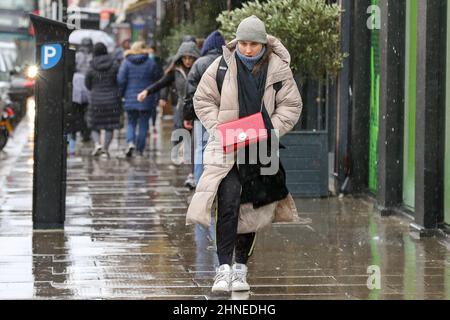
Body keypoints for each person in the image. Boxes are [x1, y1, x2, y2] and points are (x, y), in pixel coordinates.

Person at [185, 16, 303, 293]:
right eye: (243, 43)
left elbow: (291, 106)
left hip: (259, 148)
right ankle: (223, 268)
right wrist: (219, 128)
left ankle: (240, 269)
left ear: (263, 43)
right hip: (227, 147)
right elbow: (202, 100)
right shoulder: (222, 66)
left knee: (249, 208)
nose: (247, 49)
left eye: (253, 44)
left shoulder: (279, 69)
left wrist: (268, 128)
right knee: (227, 203)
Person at [137, 41, 200, 187]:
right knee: (180, 132)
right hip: (181, 108)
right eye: (185, 58)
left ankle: (192, 173)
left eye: (191, 58)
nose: (188, 61)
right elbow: (161, 83)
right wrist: (146, 92)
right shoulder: (175, 72)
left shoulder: (199, 68)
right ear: (180, 58)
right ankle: (182, 157)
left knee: (195, 140)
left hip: (197, 108)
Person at [183, 30, 225, 186]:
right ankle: (219, 183)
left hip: (202, 114)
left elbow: (190, 92)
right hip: (223, 114)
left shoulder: (199, 63)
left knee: (200, 148)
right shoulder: (228, 61)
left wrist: (187, 115)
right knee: (222, 147)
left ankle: (201, 183)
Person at [118, 41, 163, 157]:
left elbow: (121, 80)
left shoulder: (126, 63)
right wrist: (155, 96)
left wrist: (121, 94)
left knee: (131, 122)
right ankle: (140, 149)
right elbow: (157, 80)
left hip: (130, 97)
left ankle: (130, 142)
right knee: (143, 124)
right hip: (146, 97)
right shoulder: (151, 62)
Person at [85, 42, 122, 158]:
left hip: (96, 100)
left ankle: (97, 144)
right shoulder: (114, 64)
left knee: (94, 125)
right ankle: (105, 148)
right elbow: (119, 80)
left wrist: (95, 89)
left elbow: (87, 83)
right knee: (109, 125)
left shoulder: (91, 66)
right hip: (112, 99)